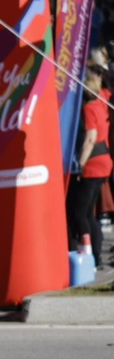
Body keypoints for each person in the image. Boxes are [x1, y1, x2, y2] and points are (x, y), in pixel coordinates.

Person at [67, 64, 112, 266]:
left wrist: (80, 165)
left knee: (79, 213)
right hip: (105, 161)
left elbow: (90, 138)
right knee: (88, 212)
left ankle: (89, 254)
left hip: (93, 164)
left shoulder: (88, 108)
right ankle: (95, 252)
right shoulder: (103, 100)